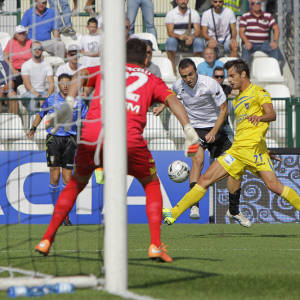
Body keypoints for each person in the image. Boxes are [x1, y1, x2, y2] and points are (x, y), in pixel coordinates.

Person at [34, 38, 200, 262]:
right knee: (151, 183)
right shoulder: (151, 79)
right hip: (128, 140)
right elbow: (172, 101)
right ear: (146, 58)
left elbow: (79, 75)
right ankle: (155, 246)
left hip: (93, 137)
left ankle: (46, 239)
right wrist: (189, 130)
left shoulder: (106, 70)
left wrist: (70, 102)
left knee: (74, 184)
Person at [162, 59, 300, 226]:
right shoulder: (238, 99)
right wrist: (264, 149)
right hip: (250, 150)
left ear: (243, 74)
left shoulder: (259, 92)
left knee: (206, 179)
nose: (230, 80)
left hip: (241, 152)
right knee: (274, 186)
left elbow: (272, 114)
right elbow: (249, 131)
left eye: (233, 76)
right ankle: (231, 210)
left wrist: (260, 117)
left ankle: (174, 212)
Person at [155, 59, 250, 226]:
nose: (188, 78)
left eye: (191, 74)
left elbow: (224, 109)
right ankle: (194, 205)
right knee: (197, 161)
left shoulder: (210, 84)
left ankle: (233, 210)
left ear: (196, 71)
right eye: (184, 76)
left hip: (218, 127)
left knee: (236, 169)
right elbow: (170, 96)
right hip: (196, 129)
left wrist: (214, 131)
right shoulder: (179, 85)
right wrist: (162, 107)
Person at [27, 73, 88, 226]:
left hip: (70, 140)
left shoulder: (78, 101)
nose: (65, 86)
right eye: (62, 83)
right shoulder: (51, 99)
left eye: (68, 83)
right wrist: (33, 128)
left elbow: (86, 120)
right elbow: (41, 114)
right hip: (54, 140)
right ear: (58, 84)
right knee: (54, 177)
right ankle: (57, 212)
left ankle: (65, 214)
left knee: (67, 180)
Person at [239, 0, 284, 69]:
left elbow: (276, 28)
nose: (256, 5)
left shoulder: (267, 16)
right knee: (245, 49)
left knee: (275, 48)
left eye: (258, 3)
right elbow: (241, 32)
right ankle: (245, 73)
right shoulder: (245, 16)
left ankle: (276, 70)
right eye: (253, 3)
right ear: (250, 5)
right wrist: (246, 41)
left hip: (264, 43)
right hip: (250, 42)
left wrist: (275, 41)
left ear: (261, 4)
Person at [165, 0, 203, 75]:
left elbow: (198, 31)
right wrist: (179, 36)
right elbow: (170, 32)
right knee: (170, 41)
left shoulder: (194, 13)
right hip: (177, 40)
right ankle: (173, 71)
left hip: (191, 39)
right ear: (176, 1)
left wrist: (191, 37)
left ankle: (197, 69)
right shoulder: (171, 14)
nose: (183, 1)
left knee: (199, 42)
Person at [21, 41, 54, 115]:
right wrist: (38, 96)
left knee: (53, 98)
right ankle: (32, 123)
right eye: (34, 48)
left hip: (43, 92)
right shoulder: (26, 65)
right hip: (29, 93)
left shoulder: (47, 65)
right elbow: (27, 85)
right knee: (33, 99)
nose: (37, 50)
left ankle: (47, 122)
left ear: (42, 50)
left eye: (39, 48)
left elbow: (51, 83)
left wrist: (48, 95)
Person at [4, 25, 32, 96]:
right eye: (20, 33)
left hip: (28, 70)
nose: (22, 35)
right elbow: (5, 57)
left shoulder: (30, 42)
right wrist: (12, 69)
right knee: (14, 79)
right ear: (15, 35)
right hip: (15, 70)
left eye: (24, 33)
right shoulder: (11, 42)